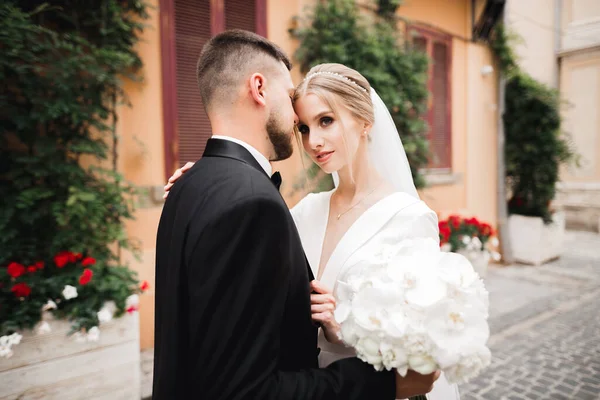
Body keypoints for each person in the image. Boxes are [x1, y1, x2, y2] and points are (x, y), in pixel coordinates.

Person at [153, 29, 439, 400]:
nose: (312, 141)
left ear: (365, 121)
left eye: (326, 121)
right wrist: (212, 182)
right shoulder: (303, 211)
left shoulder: (410, 218)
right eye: (304, 127)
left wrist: (344, 331)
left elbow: (422, 345)